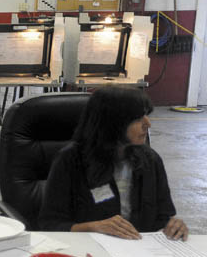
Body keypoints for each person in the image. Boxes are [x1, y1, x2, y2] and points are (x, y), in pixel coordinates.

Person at [38, 86, 188, 240]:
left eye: (146, 115)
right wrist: (91, 227)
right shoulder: (70, 160)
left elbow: (163, 217)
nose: (148, 124)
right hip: (88, 249)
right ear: (113, 123)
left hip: (139, 251)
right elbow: (49, 224)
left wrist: (174, 226)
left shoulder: (150, 160)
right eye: (137, 118)